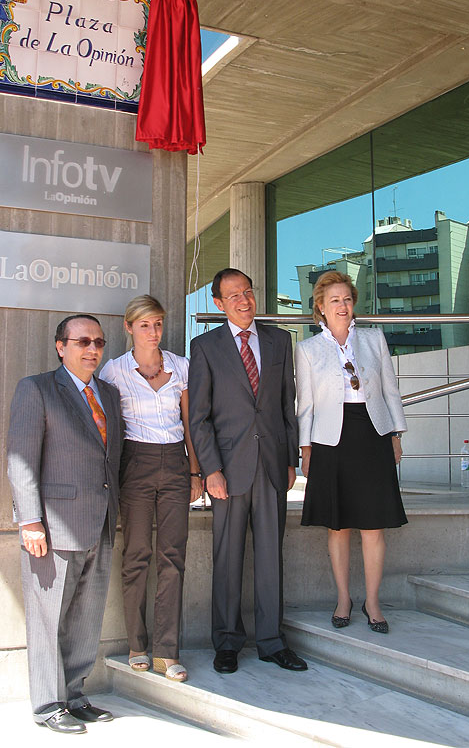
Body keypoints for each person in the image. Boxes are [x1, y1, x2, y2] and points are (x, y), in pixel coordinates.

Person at [7, 314, 123, 734]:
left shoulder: (108, 394)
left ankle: (75, 695)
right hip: (53, 526)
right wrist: (30, 521)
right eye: (82, 342)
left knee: (86, 616)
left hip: (102, 522)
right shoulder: (36, 389)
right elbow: (20, 459)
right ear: (61, 346)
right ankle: (47, 703)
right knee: (47, 617)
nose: (92, 349)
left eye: (99, 342)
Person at [188, 268, 307, 674]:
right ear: (218, 304)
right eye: (233, 295)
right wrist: (211, 470)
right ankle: (226, 643)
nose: (244, 300)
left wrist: (291, 458)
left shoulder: (279, 340)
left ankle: (272, 642)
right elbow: (198, 417)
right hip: (228, 469)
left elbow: (285, 404)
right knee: (227, 557)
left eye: (248, 292)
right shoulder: (204, 347)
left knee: (271, 556)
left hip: (273, 465)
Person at [295, 271, 407, 634]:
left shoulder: (374, 339)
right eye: (334, 301)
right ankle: (343, 598)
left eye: (346, 299)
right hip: (330, 440)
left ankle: (372, 602)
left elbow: (391, 389)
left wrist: (396, 434)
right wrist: (306, 447)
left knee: (373, 526)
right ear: (321, 308)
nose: (342, 306)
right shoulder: (308, 349)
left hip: (372, 432)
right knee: (338, 524)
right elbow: (305, 405)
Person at [100, 295, 202, 682]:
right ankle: (137, 645)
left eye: (157, 323)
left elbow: (191, 424)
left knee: (173, 555)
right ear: (129, 328)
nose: (153, 331)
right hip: (136, 466)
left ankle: (167, 651)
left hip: (176, 464)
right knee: (137, 555)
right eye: (144, 324)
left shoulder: (181, 367)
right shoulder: (114, 372)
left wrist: (195, 471)